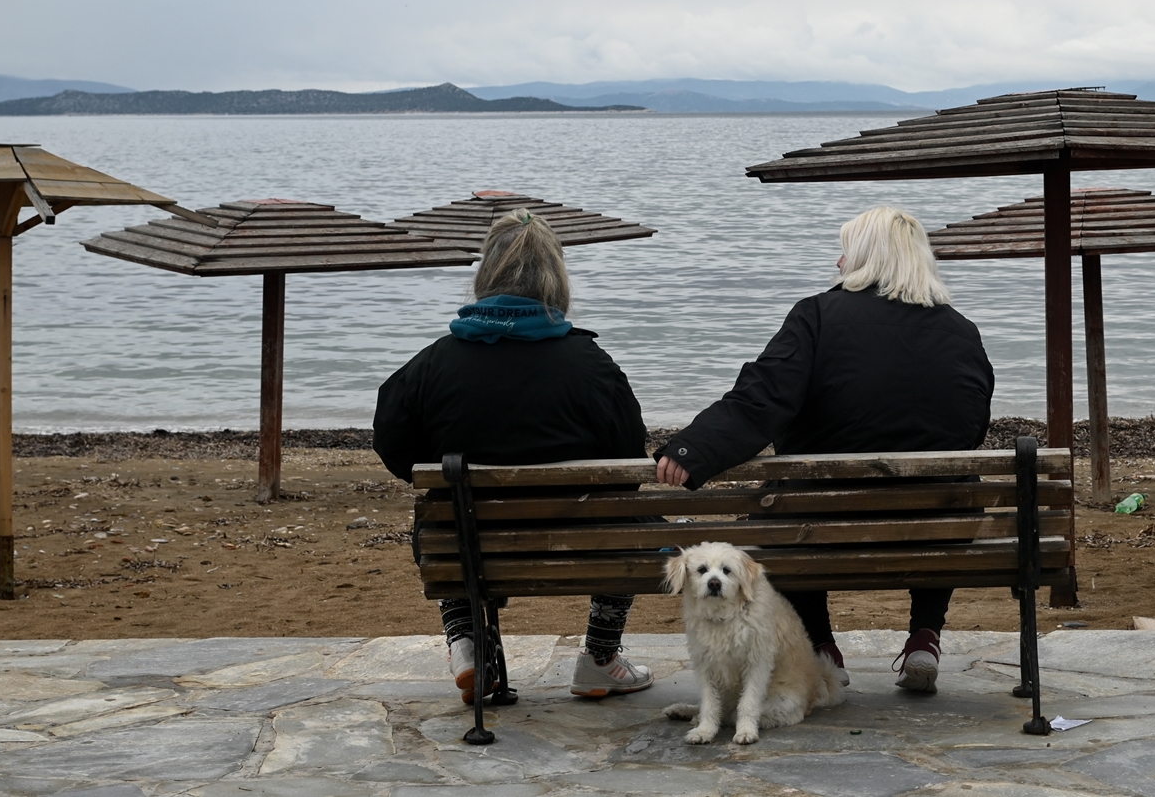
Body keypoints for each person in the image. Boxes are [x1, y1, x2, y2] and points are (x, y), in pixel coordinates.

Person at [654, 206, 994, 694]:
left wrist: (691, 451)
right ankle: (924, 637)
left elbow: (760, 399)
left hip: (821, 524)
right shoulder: (961, 329)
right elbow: (971, 425)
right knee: (951, 484)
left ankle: (822, 646)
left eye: (846, 253)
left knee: (783, 502)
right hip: (935, 525)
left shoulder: (817, 315)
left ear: (866, 259)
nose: (838, 264)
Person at [374, 209, 654, 701]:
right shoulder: (592, 366)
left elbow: (394, 447)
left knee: (441, 515)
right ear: (556, 280)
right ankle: (600, 657)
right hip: (585, 540)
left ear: (485, 276)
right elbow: (629, 462)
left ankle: (466, 643)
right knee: (633, 521)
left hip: (468, 540)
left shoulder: (433, 363)